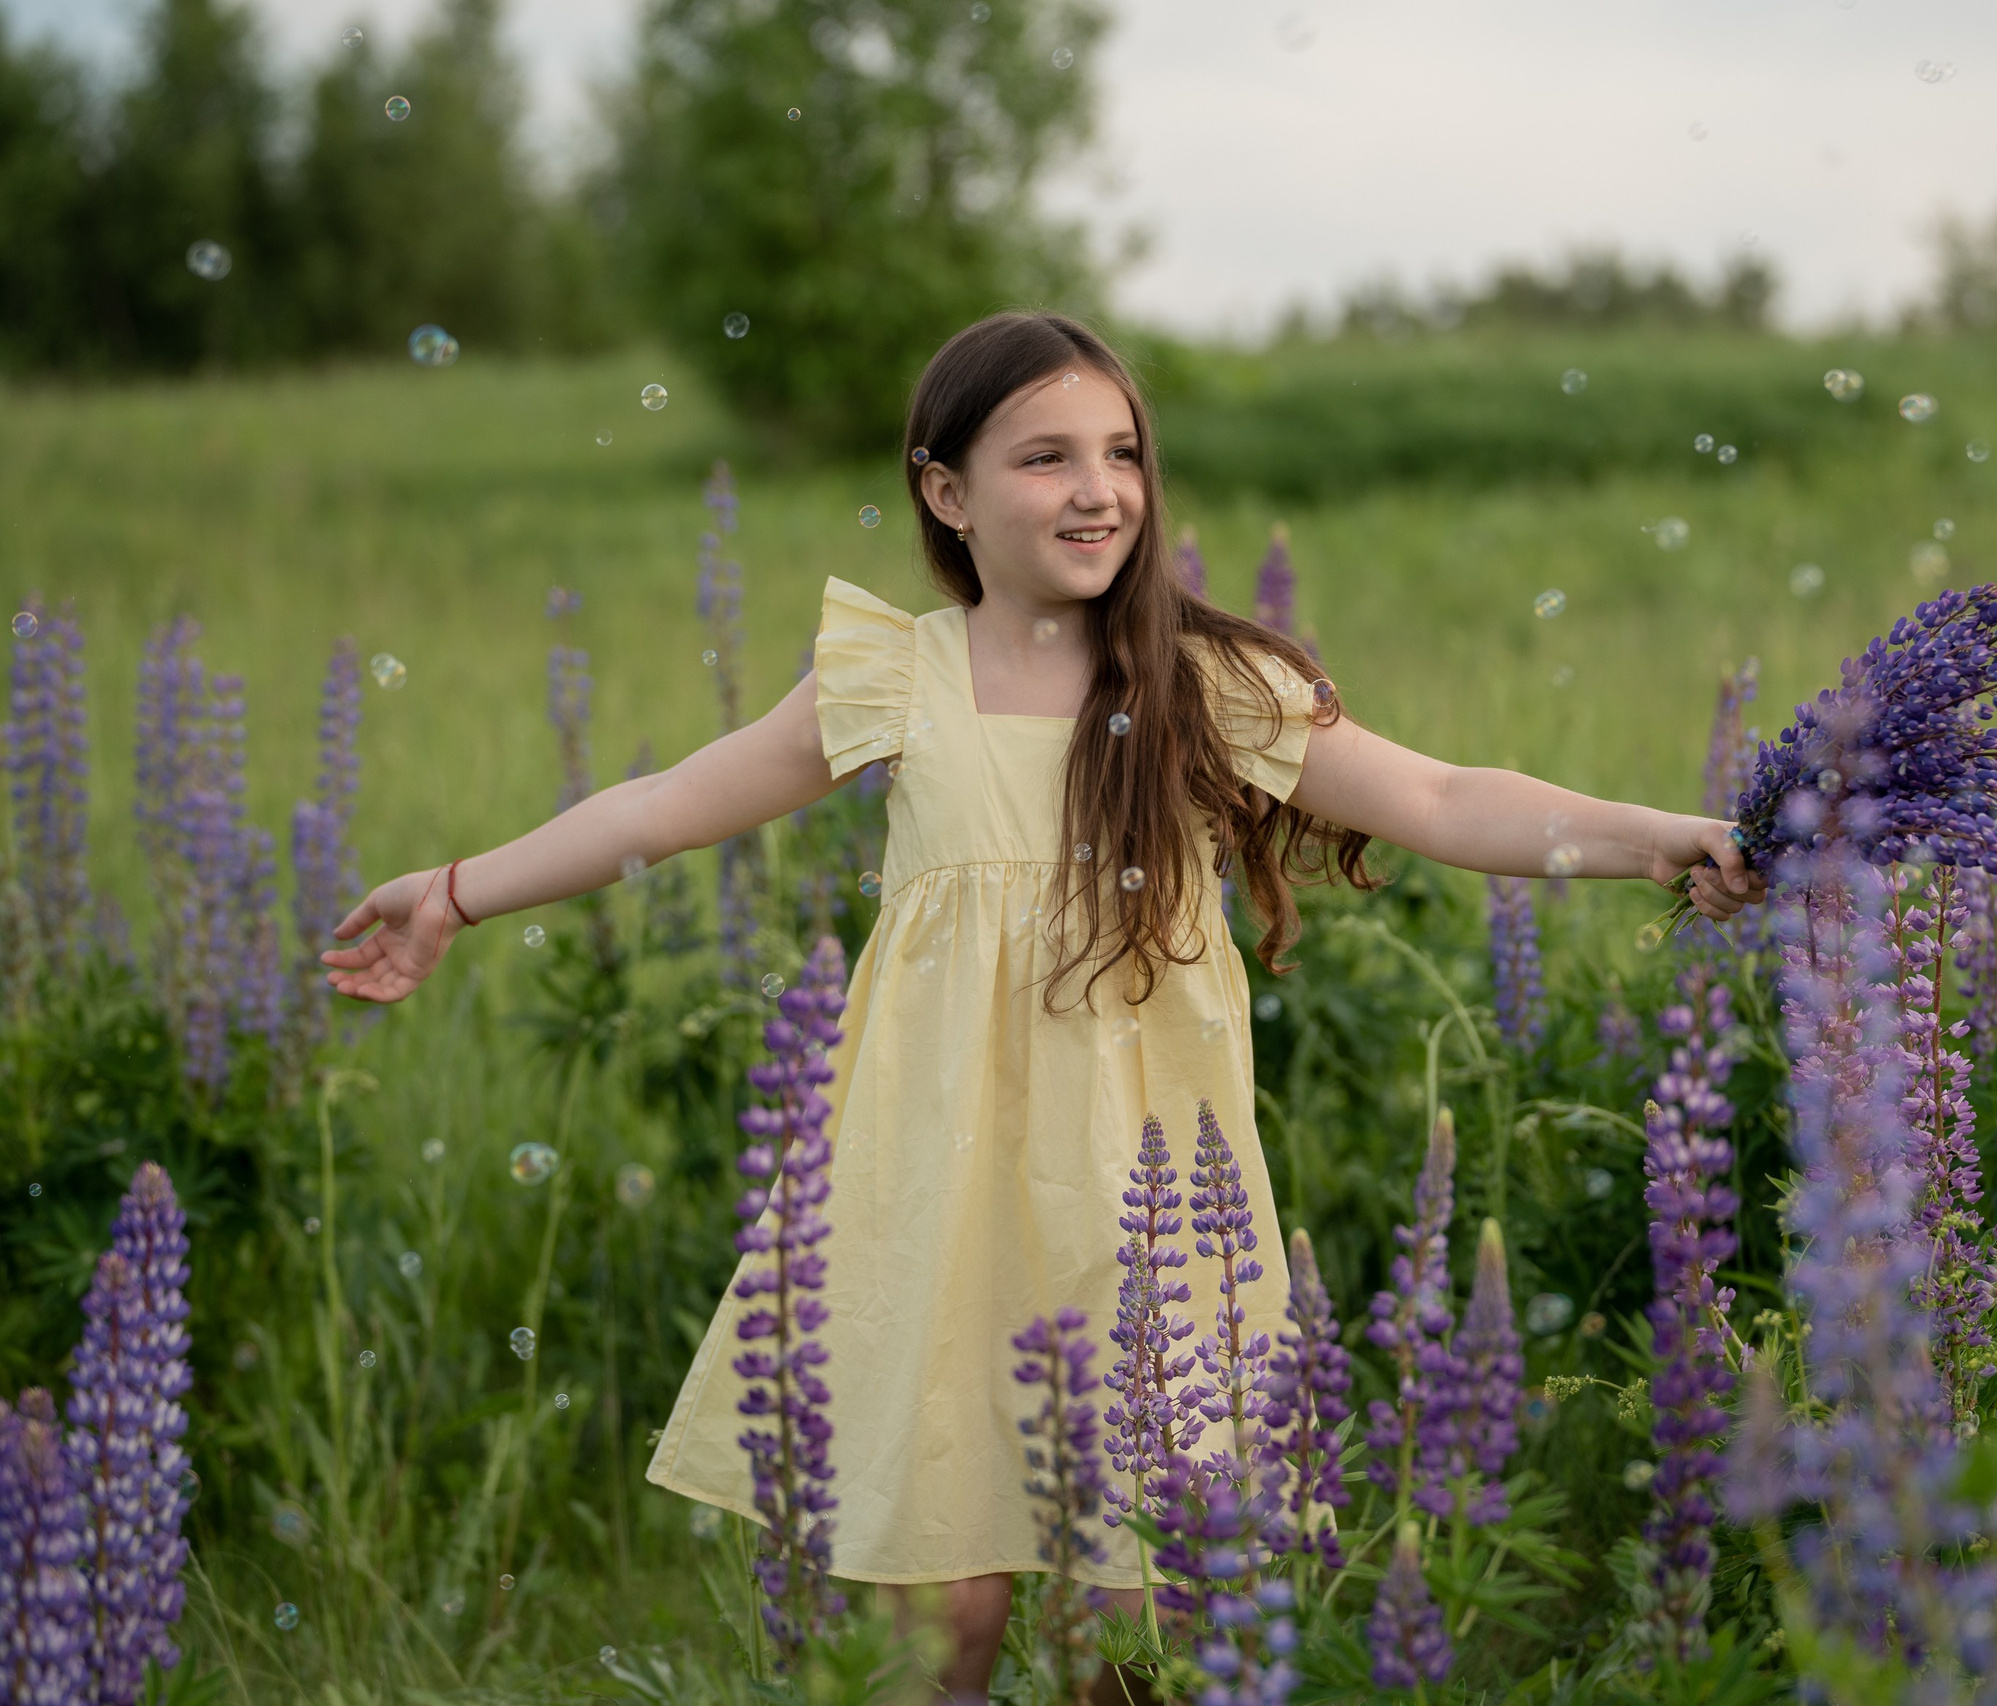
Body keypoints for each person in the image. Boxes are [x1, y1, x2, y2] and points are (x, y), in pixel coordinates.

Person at [321, 310, 1765, 1698]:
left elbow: (1444, 795)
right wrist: (455, 889)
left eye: (1122, 452)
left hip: (1144, 1189)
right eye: (1046, 457)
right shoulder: (898, 674)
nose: (1099, 490)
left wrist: (1661, 835)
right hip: (930, 1180)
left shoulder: (1208, 681)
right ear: (945, 491)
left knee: (1130, 1622)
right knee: (936, 1614)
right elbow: (669, 803)